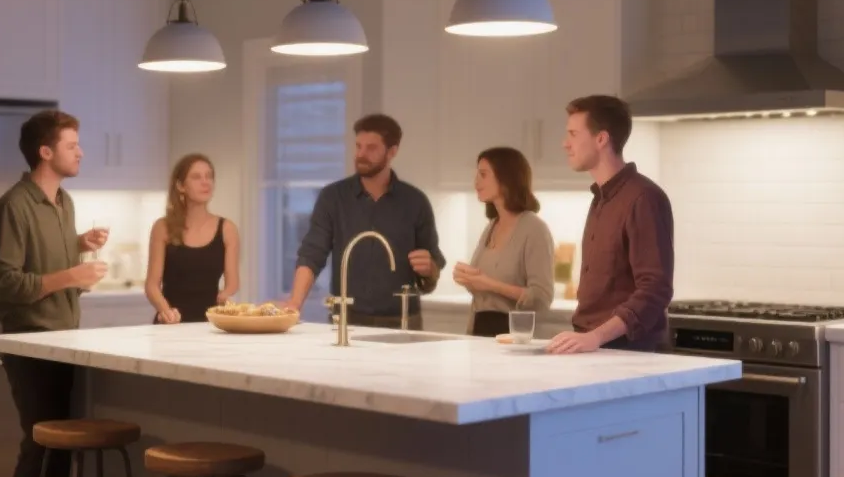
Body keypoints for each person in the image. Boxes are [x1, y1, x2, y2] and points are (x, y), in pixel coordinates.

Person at [0, 110, 109, 477]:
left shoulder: (64, 202)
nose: (80, 152)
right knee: (40, 449)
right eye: (72, 145)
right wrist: (72, 276)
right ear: (46, 151)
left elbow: (48, 262)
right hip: (30, 341)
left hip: (63, 339)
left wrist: (79, 246)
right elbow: (6, 282)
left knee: (56, 453)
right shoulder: (13, 205)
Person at [286, 113, 444, 328]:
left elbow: (432, 269)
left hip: (403, 321)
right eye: (358, 146)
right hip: (347, 321)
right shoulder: (333, 198)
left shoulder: (415, 202)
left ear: (392, 151)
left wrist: (430, 269)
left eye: (371, 148)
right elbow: (312, 254)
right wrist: (295, 303)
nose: (361, 154)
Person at [546, 95, 674, 355]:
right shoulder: (601, 199)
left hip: (631, 353)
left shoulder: (643, 198)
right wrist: (588, 337)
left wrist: (595, 336)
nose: (565, 143)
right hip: (598, 347)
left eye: (573, 134)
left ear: (601, 139)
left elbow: (655, 289)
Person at [452, 147, 555, 338]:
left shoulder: (534, 229)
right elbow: (482, 290)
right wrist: (469, 278)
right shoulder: (492, 226)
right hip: (480, 333)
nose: (476, 182)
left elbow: (542, 298)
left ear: (506, 178)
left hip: (516, 338)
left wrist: (490, 284)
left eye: (483, 175)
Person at [146, 153, 239, 323]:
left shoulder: (227, 229)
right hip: (171, 324)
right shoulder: (163, 227)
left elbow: (232, 282)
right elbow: (152, 286)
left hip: (211, 325)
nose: (206, 182)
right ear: (181, 186)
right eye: (196, 177)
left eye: (209, 176)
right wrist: (165, 311)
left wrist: (225, 296)